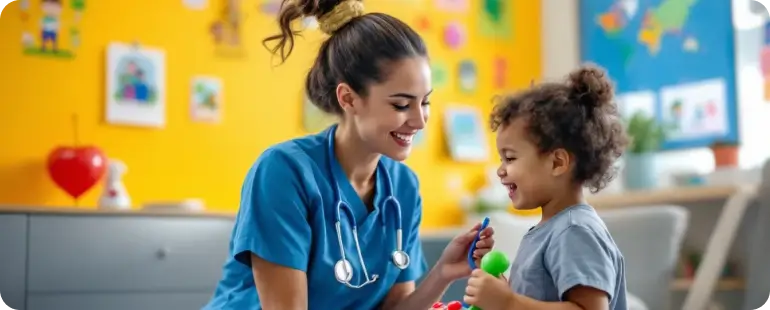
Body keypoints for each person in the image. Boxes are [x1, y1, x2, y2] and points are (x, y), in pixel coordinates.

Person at [203, 0, 496, 309]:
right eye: (401, 104)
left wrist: (443, 274)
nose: (420, 120)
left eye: (424, 102)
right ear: (349, 98)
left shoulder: (403, 187)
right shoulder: (283, 173)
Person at [462, 65, 630, 310]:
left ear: (557, 162)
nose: (500, 170)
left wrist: (508, 303)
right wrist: (497, 291)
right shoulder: (550, 230)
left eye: (510, 158)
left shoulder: (574, 231)